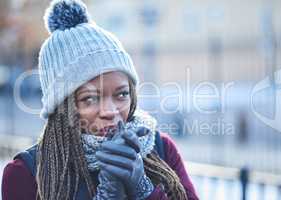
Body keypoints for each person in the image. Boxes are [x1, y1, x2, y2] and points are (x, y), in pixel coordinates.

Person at [1, 0, 199, 199]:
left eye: (122, 94)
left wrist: (143, 189)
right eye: (90, 99)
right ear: (62, 106)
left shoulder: (160, 148)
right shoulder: (25, 173)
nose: (110, 111)